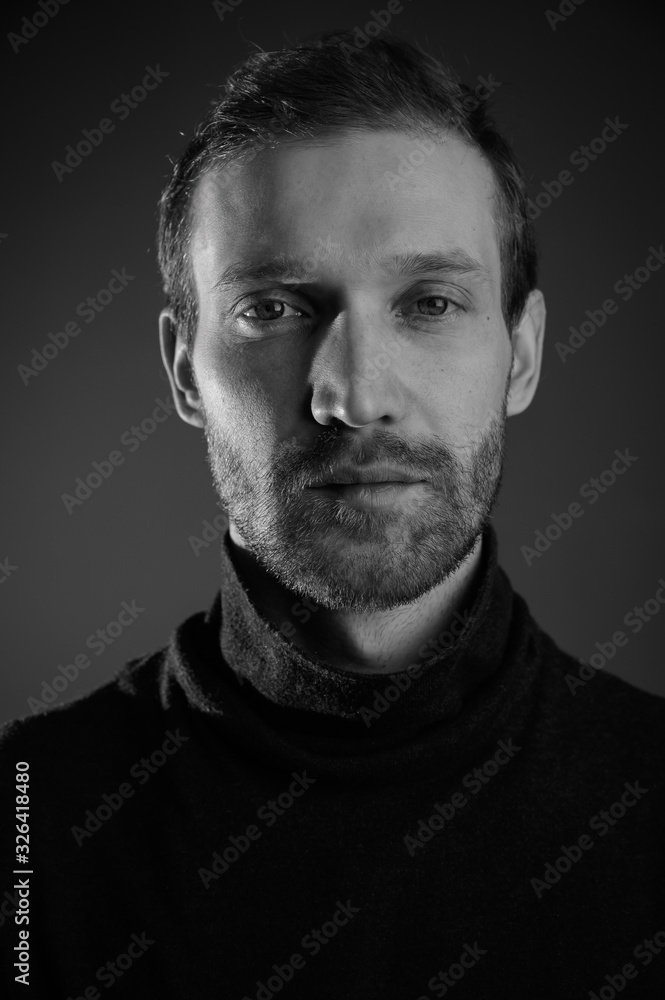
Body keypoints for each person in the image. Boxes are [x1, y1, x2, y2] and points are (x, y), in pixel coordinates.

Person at [1, 30, 663, 999]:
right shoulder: (26, 820)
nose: (353, 395)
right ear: (184, 373)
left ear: (520, 357)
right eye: (272, 309)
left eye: (429, 303)